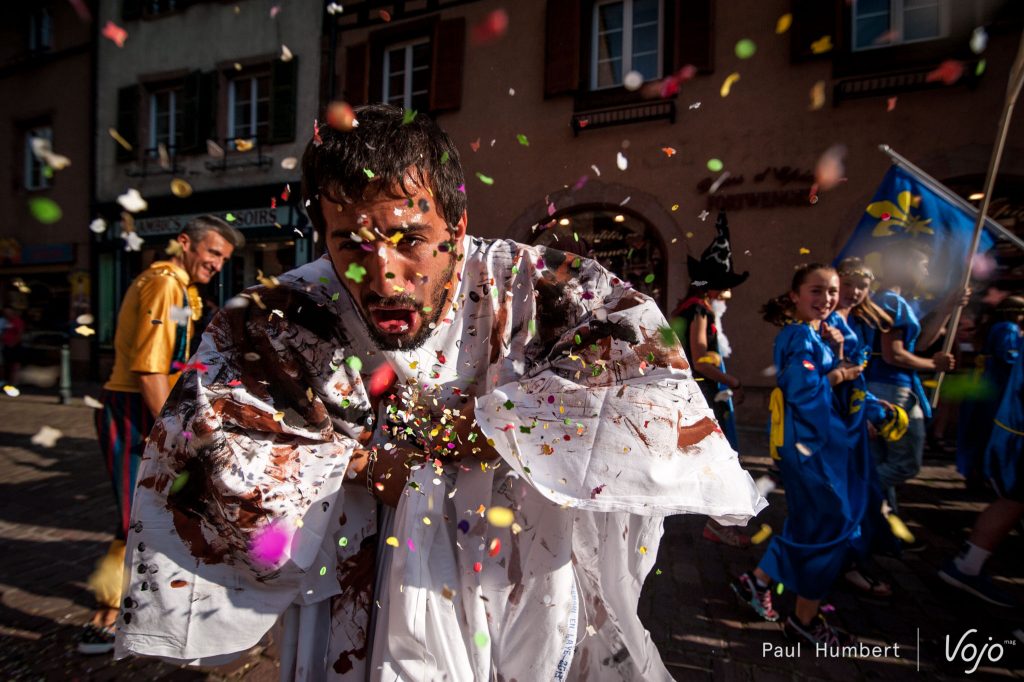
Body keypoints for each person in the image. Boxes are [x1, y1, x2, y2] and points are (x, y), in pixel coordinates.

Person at [114, 104, 767, 680]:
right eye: (351, 244)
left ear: (456, 227)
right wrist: (360, 463)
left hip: (514, 579)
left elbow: (650, 391)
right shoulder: (282, 315)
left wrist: (487, 430)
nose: (383, 276)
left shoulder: (543, 286)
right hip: (357, 593)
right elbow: (209, 446)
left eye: (409, 240)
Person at [77, 216, 243, 655]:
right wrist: (175, 432)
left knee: (152, 510)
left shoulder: (181, 287)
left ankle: (136, 606)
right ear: (184, 243)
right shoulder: (165, 284)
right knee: (135, 514)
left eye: (223, 259)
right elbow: (149, 371)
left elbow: (172, 360)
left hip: (149, 407)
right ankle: (105, 617)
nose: (217, 265)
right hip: (134, 408)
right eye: (213, 252)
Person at [731, 263, 898, 646]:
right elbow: (802, 390)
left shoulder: (815, 333)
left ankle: (758, 582)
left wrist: (838, 356)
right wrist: (841, 374)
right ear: (796, 295)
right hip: (813, 446)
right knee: (832, 525)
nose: (827, 299)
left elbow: (826, 381)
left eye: (832, 291)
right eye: (817, 291)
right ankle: (804, 621)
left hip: (820, 443)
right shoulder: (798, 335)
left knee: (812, 522)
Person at [865, 240, 960, 526]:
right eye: (922, 263)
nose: (926, 270)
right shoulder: (890, 302)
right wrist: (933, 365)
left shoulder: (893, 300)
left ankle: (884, 528)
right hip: (891, 389)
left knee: (882, 462)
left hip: (884, 388)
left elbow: (918, 346)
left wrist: (946, 310)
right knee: (904, 465)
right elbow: (894, 355)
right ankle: (854, 494)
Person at [671, 211, 751, 547]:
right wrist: (733, 381)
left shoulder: (686, 307)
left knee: (702, 458)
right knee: (720, 459)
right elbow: (701, 359)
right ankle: (718, 523)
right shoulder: (699, 310)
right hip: (704, 394)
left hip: (690, 393)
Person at [939, 344, 1024, 609]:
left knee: (1013, 500)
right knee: (1014, 498)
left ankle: (968, 564)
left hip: (1013, 427)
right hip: (1017, 431)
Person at [956, 296, 1024, 485]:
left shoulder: (995, 326)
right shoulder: (1008, 328)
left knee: (977, 427)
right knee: (987, 428)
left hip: (985, 380)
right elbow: (1009, 356)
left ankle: (976, 471)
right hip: (996, 383)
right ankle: (983, 472)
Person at [1, 306, 25, 385]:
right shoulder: (6, 321)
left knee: (15, 365)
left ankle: (15, 382)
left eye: (9, 312)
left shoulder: (17, 321)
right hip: (6, 345)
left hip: (15, 346)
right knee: (7, 364)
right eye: (5, 312)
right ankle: (7, 381)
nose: (7, 314)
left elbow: (20, 333)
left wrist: (13, 343)